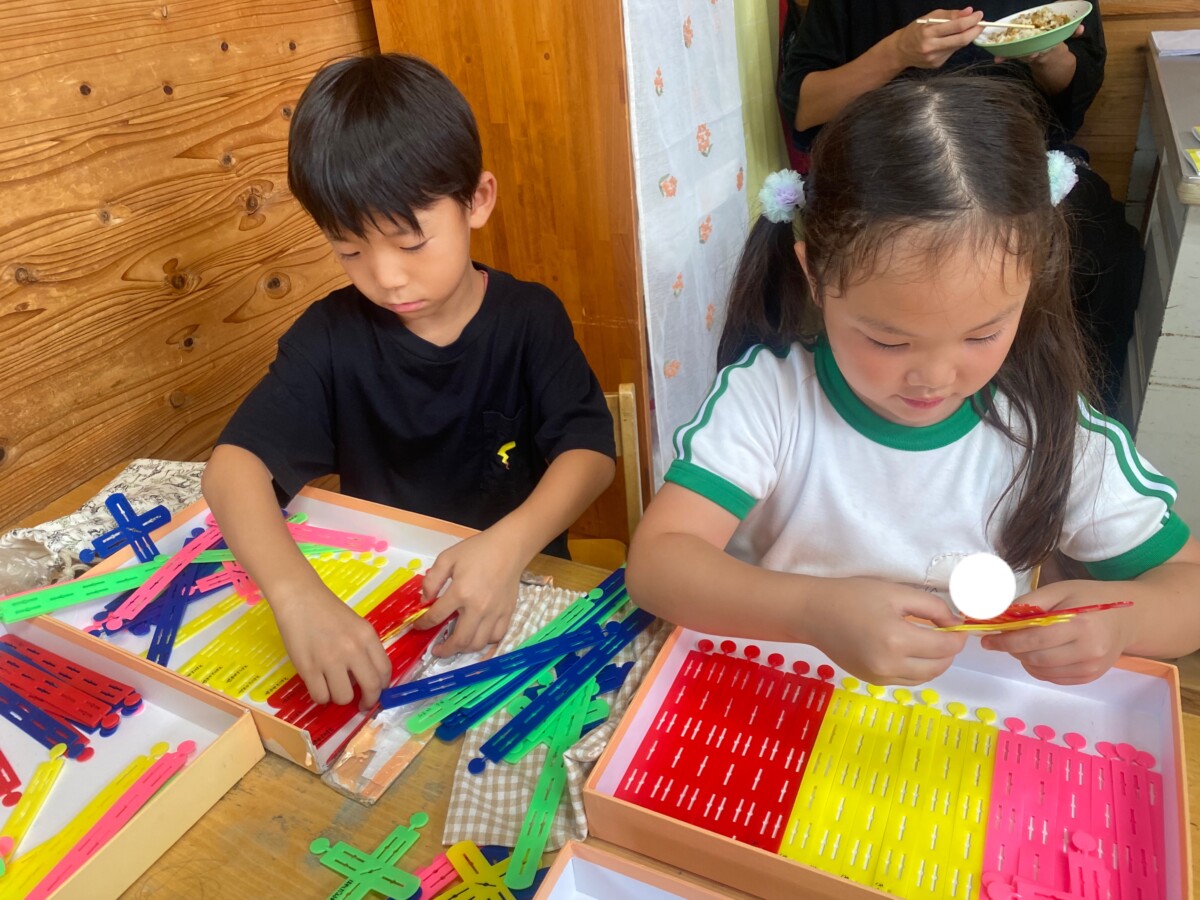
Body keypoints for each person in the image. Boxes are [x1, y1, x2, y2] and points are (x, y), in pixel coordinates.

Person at [625, 76, 1200, 688]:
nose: (935, 377)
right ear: (815, 278)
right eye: (889, 341)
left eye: (982, 335)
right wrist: (811, 611)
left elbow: (1188, 587)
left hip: (957, 717)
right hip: (780, 693)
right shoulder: (769, 400)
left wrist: (1122, 624)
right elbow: (658, 564)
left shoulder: (1052, 428)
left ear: (1030, 283)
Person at [202, 54, 616, 709]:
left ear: (477, 200)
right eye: (349, 250)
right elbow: (232, 470)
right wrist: (295, 595)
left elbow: (590, 454)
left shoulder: (529, 319)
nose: (386, 276)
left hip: (519, 582)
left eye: (410, 242)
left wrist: (508, 545)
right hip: (386, 598)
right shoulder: (331, 338)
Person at [777, 2, 1142, 417]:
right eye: (888, 341)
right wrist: (897, 52)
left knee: (1109, 249)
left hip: (1014, 164)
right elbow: (805, 111)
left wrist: (1048, 54)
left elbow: (1075, 102)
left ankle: (1073, 410)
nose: (934, 378)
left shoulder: (1065, 8)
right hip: (884, 168)